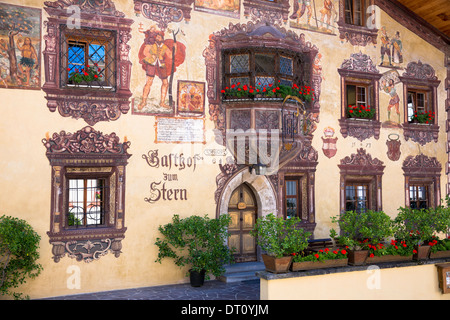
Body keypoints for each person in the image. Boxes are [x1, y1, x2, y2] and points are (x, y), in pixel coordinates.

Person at [138, 29, 173, 110]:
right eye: (157, 37)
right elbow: (145, 52)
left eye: (159, 37)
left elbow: (170, 55)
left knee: (165, 83)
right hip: (151, 63)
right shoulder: (150, 44)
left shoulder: (164, 47)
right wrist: (151, 55)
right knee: (149, 81)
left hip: (161, 64)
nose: (158, 38)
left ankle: (162, 102)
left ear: (162, 39)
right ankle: (144, 101)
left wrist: (175, 47)